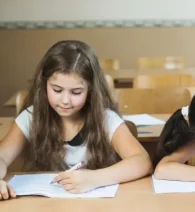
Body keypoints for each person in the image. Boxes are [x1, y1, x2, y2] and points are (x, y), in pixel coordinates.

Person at [0, 40, 152, 200]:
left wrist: (95, 178)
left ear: (91, 90)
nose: (65, 100)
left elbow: (142, 161)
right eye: (57, 90)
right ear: (44, 85)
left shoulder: (105, 119)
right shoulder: (31, 117)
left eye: (76, 92)